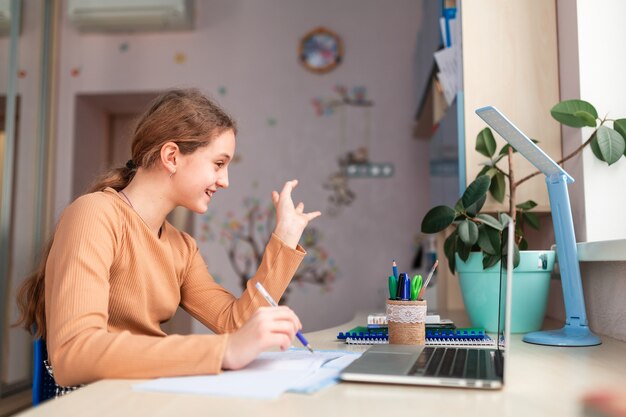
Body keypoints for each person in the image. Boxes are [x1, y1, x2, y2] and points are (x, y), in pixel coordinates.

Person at [16, 88, 321, 388]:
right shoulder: (94, 215)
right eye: (218, 163)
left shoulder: (182, 246)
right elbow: (74, 354)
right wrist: (223, 351)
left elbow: (236, 324)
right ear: (172, 156)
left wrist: (284, 239)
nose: (225, 181)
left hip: (143, 394)